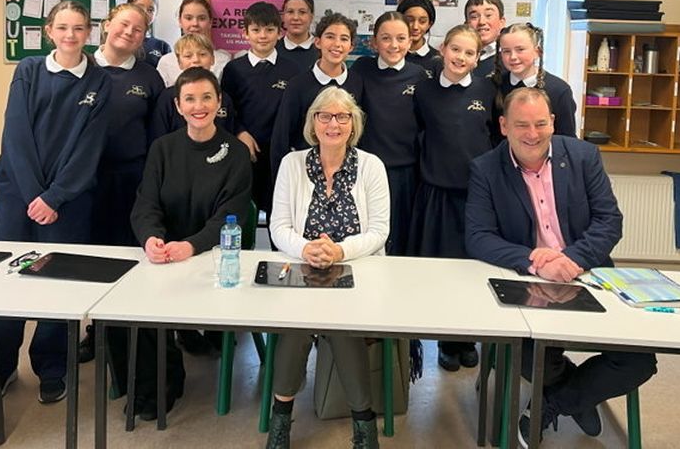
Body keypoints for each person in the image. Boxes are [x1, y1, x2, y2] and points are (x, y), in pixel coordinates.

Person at [464, 87, 657, 447]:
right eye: (521, 124)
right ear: (504, 126)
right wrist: (532, 262)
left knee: (638, 361)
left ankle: (553, 402)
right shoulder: (486, 169)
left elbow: (609, 221)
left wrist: (572, 259)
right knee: (522, 352)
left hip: (587, 275)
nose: (532, 134)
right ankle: (574, 392)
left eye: (540, 123)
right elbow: (478, 237)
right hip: (529, 281)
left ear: (553, 122)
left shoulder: (583, 156)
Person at [0, 0, 111, 404]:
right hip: (16, 194)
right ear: (48, 30)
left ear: (89, 33)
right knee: (6, 281)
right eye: (63, 27)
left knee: (57, 286)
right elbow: (15, 134)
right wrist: (32, 195)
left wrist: (54, 196)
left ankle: (52, 368)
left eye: (78, 28)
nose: (70, 35)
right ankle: (1, 366)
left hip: (67, 201)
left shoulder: (98, 81)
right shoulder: (29, 70)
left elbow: (88, 149)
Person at [266, 86, 389, 449]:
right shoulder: (292, 164)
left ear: (353, 124)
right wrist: (308, 249)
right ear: (313, 123)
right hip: (303, 267)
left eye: (342, 116)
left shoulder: (371, 165)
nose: (333, 123)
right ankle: (282, 419)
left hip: (358, 268)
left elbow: (380, 231)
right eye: (325, 115)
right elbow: (278, 226)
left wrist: (338, 251)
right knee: (297, 324)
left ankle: (363, 423)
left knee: (341, 324)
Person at [130, 66, 252, 420]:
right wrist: (151, 238)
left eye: (206, 98)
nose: (199, 106)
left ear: (219, 102)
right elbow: (146, 203)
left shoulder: (235, 153)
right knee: (133, 307)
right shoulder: (162, 149)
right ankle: (160, 382)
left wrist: (192, 246)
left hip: (215, 259)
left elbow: (231, 216)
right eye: (190, 99)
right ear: (178, 106)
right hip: (165, 255)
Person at [406, 24, 497, 371]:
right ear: (443, 49)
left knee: (471, 271)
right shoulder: (424, 91)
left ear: (477, 59)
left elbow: (494, 139)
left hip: (475, 197)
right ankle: (446, 341)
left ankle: (467, 337)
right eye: (455, 49)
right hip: (435, 194)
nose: (461, 57)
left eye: (469, 53)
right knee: (442, 273)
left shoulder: (488, 92)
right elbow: (416, 134)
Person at [79, 3, 165, 366]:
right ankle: (92, 330)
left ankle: (120, 330)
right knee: (86, 259)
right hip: (82, 182)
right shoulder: (80, 68)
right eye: (124, 24)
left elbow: (158, 135)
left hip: (131, 179)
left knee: (126, 258)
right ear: (106, 24)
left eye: (139, 29)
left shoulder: (149, 77)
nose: (130, 33)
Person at [352, 12, 428, 254]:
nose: (394, 45)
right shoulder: (362, 69)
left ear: (410, 41)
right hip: (366, 169)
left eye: (400, 38)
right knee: (367, 234)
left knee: (400, 235)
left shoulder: (419, 75)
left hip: (406, 172)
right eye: (386, 38)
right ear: (375, 42)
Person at [221, 2, 300, 235]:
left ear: (279, 32)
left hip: (281, 156)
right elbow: (226, 109)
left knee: (282, 217)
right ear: (245, 33)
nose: (262, 36)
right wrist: (240, 133)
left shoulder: (292, 69)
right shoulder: (234, 69)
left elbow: (297, 112)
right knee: (243, 216)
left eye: (269, 29)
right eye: (255, 30)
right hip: (245, 154)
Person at [270, 12, 364, 184]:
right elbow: (281, 138)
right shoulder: (298, 84)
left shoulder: (357, 82)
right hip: (304, 174)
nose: (337, 44)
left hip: (345, 175)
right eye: (330, 37)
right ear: (318, 42)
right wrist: (281, 182)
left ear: (351, 47)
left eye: (344, 39)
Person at [492, 23, 577, 137]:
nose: (513, 57)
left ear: (537, 52)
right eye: (506, 51)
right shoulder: (495, 85)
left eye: (520, 49)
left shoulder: (559, 90)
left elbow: (566, 138)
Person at [151, 33, 238, 140]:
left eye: (202, 54)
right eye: (188, 56)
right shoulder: (167, 98)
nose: (196, 60)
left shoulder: (224, 98)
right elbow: (158, 138)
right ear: (179, 63)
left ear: (212, 59)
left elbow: (229, 138)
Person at [156, 0, 231, 84]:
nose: (195, 24)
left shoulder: (223, 60)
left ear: (210, 22)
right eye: (188, 18)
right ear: (180, 21)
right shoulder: (166, 62)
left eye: (202, 18)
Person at [465, 0, 507, 78]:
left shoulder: (509, 58)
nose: (482, 22)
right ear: (466, 24)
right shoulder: (459, 57)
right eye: (474, 17)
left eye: (488, 15)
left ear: (501, 22)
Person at [276, 0, 319, 73]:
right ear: (283, 16)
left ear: (311, 16)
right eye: (290, 12)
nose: (295, 17)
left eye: (302, 12)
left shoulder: (322, 50)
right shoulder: (272, 50)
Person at [127, 0, 172, 67]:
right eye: (139, 8)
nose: (145, 13)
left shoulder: (162, 46)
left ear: (156, 14)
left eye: (150, 10)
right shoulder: (122, 39)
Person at [397, 0, 441, 71]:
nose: (415, 27)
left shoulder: (438, 59)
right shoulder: (391, 54)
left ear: (429, 24)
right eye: (410, 20)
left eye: (422, 21)